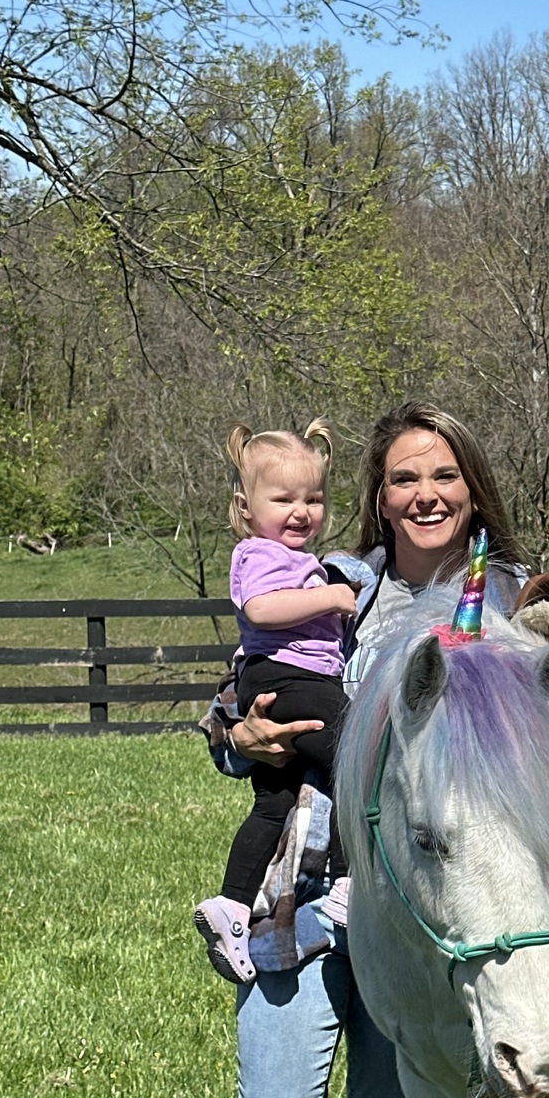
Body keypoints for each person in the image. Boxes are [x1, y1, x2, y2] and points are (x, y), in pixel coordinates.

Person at [203, 402, 528, 1098]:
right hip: (295, 896)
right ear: (378, 498)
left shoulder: (510, 601)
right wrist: (230, 736)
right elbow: (244, 691)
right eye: (401, 479)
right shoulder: (334, 583)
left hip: (427, 916)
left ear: (473, 486)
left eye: (442, 474)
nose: (422, 494)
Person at [195, 420, 357, 984]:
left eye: (313, 498)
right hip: (287, 678)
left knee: (273, 802)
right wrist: (332, 596)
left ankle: (232, 905)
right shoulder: (257, 554)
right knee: (359, 756)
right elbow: (260, 611)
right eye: (283, 498)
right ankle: (346, 883)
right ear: (245, 507)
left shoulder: (295, 557)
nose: (301, 511)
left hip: (288, 681)